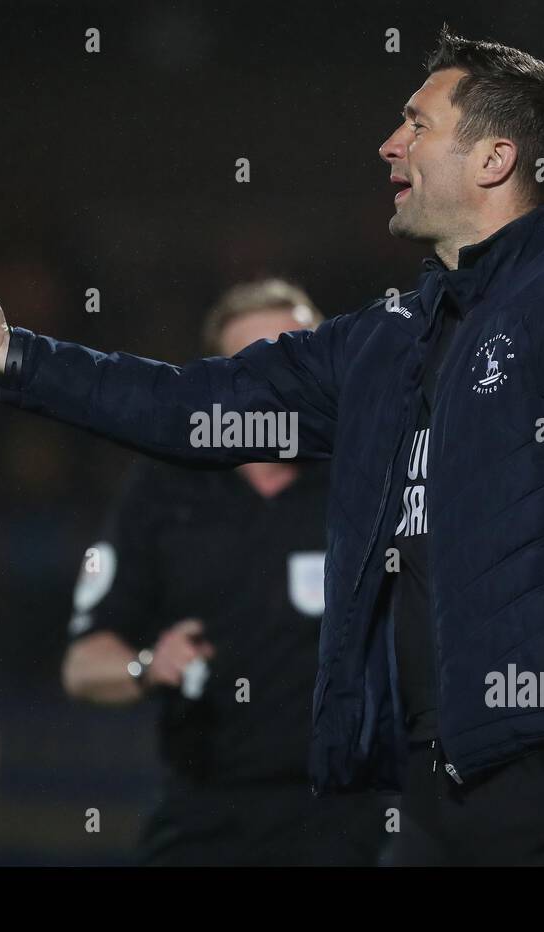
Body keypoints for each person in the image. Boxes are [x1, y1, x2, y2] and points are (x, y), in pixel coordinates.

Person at [0, 27, 544, 865]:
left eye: (416, 123)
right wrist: (17, 352)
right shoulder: (385, 338)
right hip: (431, 774)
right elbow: (197, 403)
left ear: (493, 159)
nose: (389, 144)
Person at [62, 280, 388, 865]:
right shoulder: (165, 488)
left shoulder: (378, 478)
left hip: (354, 817)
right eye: (252, 364)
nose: (276, 381)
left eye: (295, 356)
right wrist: (144, 665)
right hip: (206, 816)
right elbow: (83, 665)